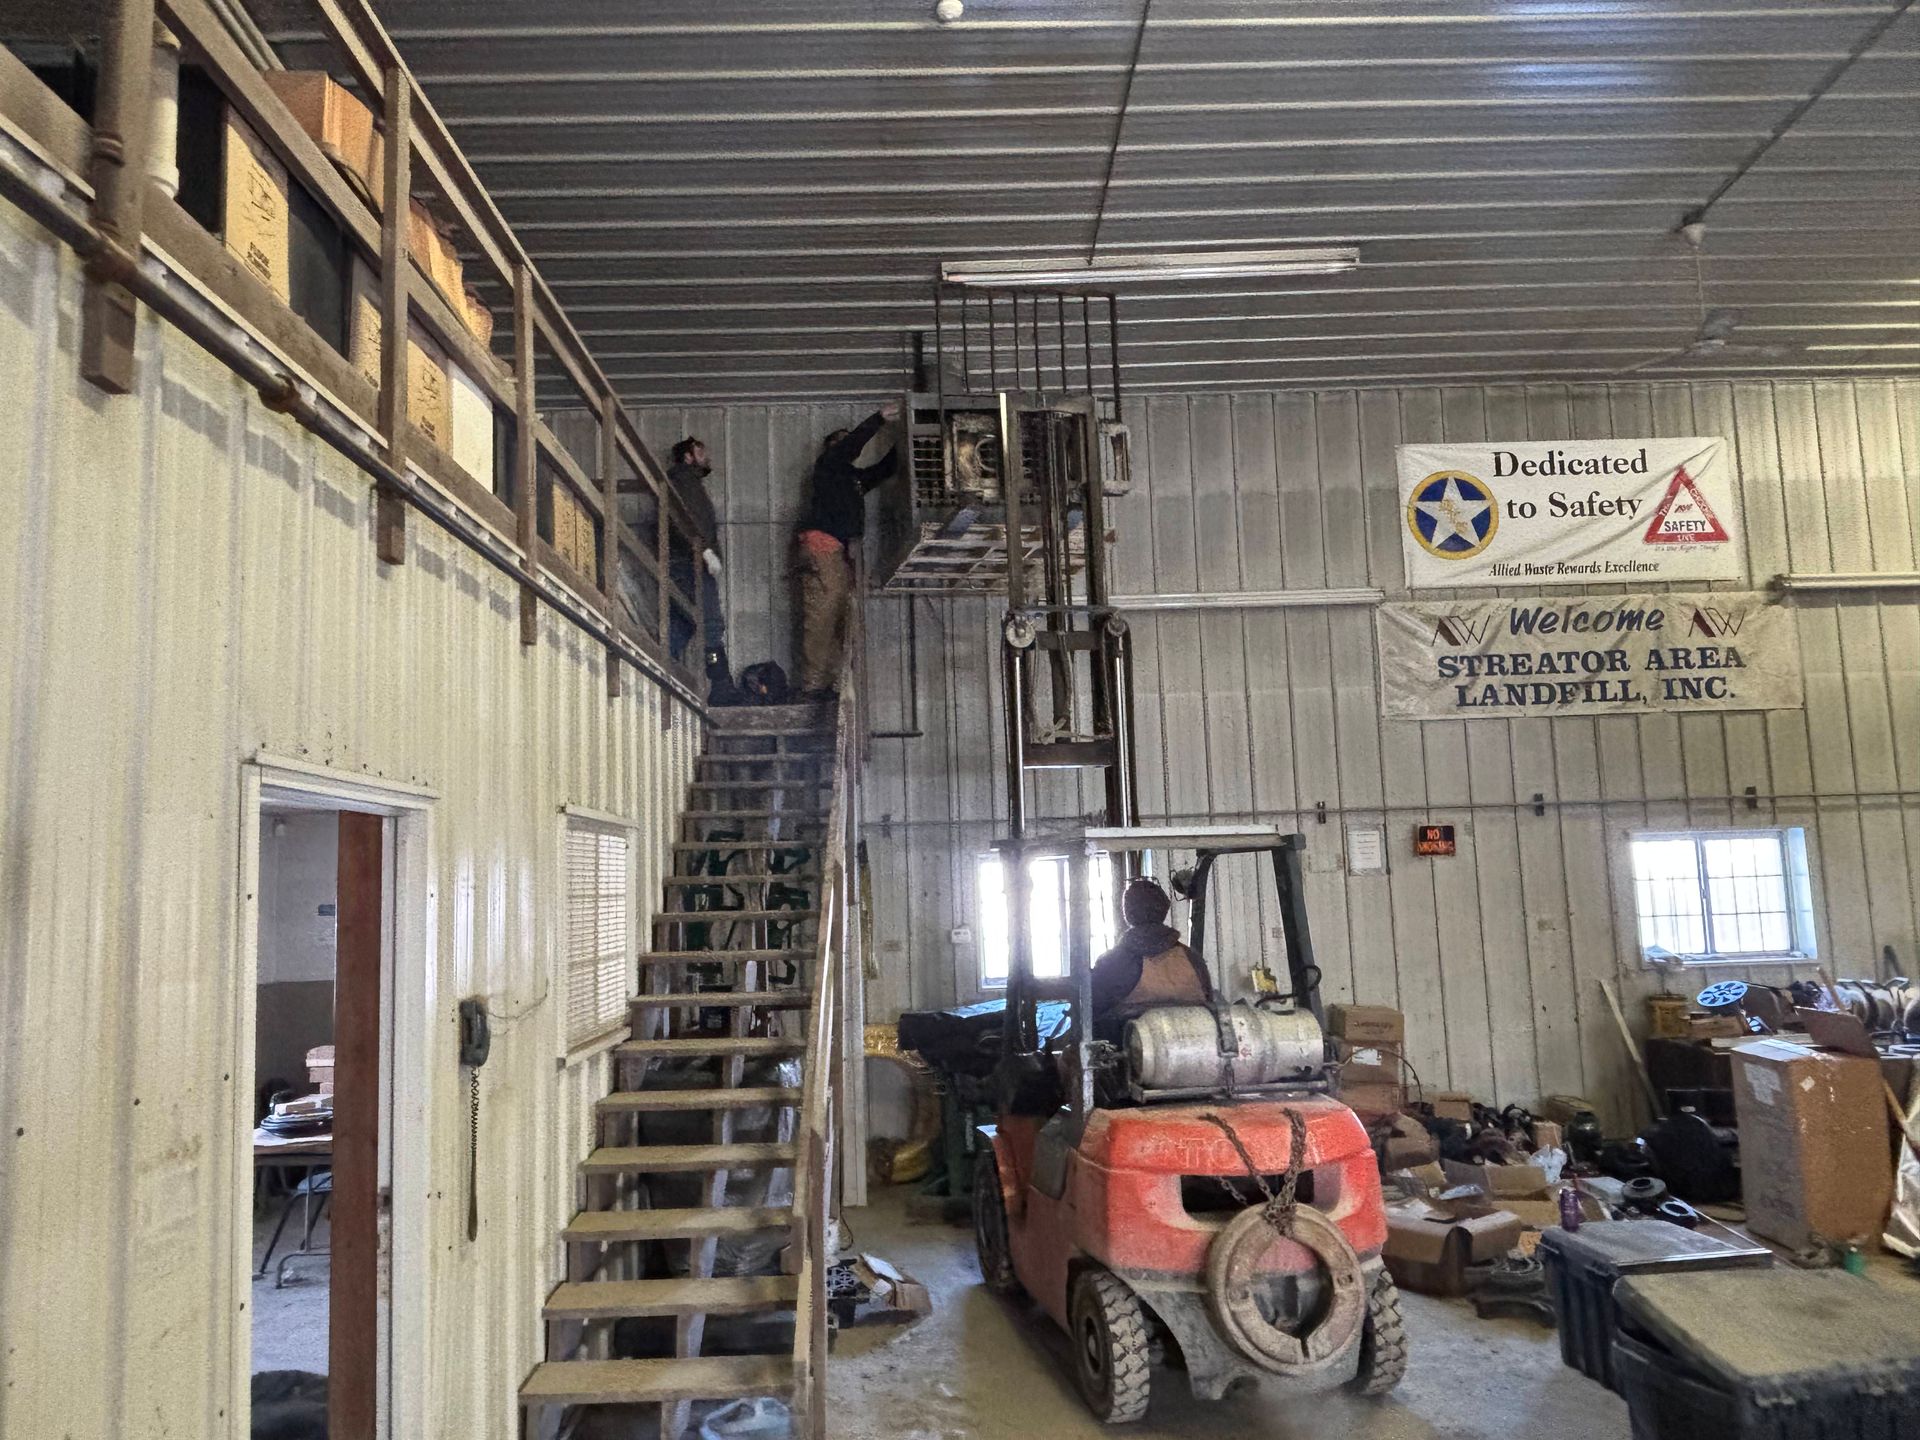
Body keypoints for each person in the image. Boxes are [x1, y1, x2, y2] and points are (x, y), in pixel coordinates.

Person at [792, 405, 898, 698]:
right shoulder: (828, 465)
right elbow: (849, 447)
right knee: (823, 612)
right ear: (832, 448)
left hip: (839, 551)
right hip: (822, 545)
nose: (849, 444)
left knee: (842, 613)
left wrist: (910, 439)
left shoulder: (852, 479)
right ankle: (814, 684)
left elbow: (884, 469)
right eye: (843, 440)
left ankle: (832, 681)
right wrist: (877, 419)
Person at [1090, 877, 1213, 1045]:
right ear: (1163, 909)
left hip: (1131, 1063)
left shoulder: (1112, 963)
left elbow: (1090, 1017)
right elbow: (1210, 1005)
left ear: (1128, 913)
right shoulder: (1193, 959)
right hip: (1196, 1057)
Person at [666, 437, 735, 700]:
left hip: (687, 560)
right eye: (699, 451)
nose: (705, 455)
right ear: (687, 456)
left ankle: (661, 666)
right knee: (711, 622)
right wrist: (704, 551)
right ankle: (721, 686)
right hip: (691, 561)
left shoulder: (687, 481)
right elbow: (685, 519)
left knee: (682, 622)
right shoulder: (685, 481)